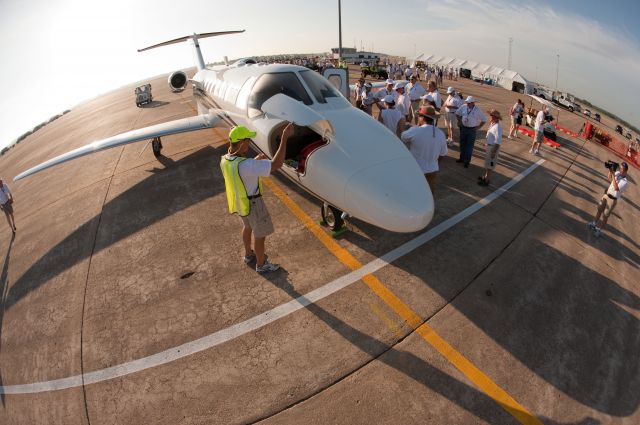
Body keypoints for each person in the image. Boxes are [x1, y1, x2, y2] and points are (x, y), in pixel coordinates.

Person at [220, 124, 292, 273]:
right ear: (241, 143)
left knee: (248, 227)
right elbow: (276, 164)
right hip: (253, 204)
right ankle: (261, 265)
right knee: (260, 235)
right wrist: (284, 138)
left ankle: (248, 254)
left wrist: (255, 162)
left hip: (241, 203)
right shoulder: (247, 165)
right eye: (248, 140)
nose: (250, 143)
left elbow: (241, 173)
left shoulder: (226, 160)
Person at [400, 106, 447, 192]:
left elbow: (403, 137)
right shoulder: (440, 133)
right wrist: (433, 162)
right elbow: (443, 154)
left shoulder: (415, 130)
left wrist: (415, 127)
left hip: (417, 170)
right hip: (433, 170)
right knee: (429, 192)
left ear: (422, 118)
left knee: (415, 191)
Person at [588, 162, 629, 237]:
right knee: (599, 210)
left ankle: (599, 230)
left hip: (612, 199)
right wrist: (610, 171)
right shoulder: (617, 173)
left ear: (626, 171)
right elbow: (609, 179)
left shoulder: (625, 182)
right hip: (606, 195)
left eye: (622, 169)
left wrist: (613, 174)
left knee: (605, 216)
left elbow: (616, 188)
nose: (620, 169)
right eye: (619, 168)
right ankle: (594, 223)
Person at [455, 96, 487, 168]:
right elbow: (457, 113)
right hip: (463, 128)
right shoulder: (463, 106)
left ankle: (467, 161)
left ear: (473, 103)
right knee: (462, 144)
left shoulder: (477, 110)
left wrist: (478, 127)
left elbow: (484, 119)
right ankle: (462, 158)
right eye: (466, 102)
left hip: (472, 130)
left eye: (468, 103)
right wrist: (459, 121)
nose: (467, 104)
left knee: (469, 146)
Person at [478, 110, 503, 186]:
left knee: (490, 165)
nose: (490, 116)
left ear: (495, 117)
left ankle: (487, 181)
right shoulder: (493, 123)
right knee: (488, 164)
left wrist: (493, 152)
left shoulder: (498, 126)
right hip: (490, 147)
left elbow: (498, 141)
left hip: (493, 148)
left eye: (491, 115)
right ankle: (485, 177)